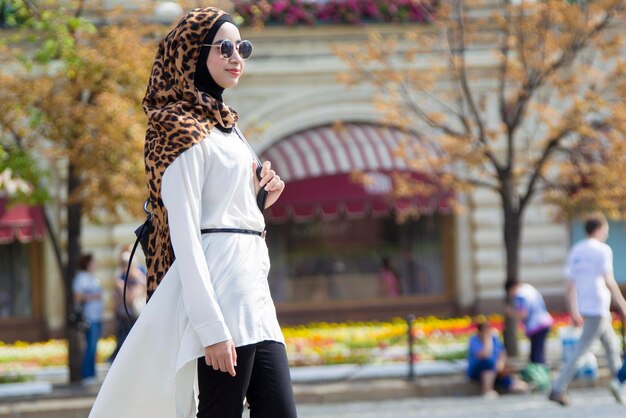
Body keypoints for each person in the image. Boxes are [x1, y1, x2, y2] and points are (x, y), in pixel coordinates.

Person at [89, 8, 297, 418]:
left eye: (243, 47)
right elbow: (186, 233)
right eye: (224, 47)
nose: (237, 56)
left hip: (253, 292)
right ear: (191, 54)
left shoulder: (229, 128)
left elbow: (230, 213)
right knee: (220, 411)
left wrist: (261, 197)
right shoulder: (175, 126)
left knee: (279, 410)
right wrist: (211, 329)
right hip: (220, 292)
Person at [549, 213, 626, 406]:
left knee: (612, 348)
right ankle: (558, 387)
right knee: (582, 350)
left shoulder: (576, 250)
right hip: (599, 306)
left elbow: (570, 285)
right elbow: (608, 279)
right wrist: (622, 304)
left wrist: (574, 311)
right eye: (606, 229)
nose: (607, 233)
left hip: (586, 306)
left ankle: (618, 385)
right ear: (599, 229)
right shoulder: (602, 250)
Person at [466, 318, 528, 398]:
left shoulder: (495, 339)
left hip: (495, 369)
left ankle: (519, 386)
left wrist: (500, 363)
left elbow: (502, 353)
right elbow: (485, 355)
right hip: (479, 369)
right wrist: (487, 339)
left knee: (503, 374)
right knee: (488, 363)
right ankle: (487, 390)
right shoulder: (474, 340)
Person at [108, 247, 146, 363]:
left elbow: (130, 298)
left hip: (134, 317)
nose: (123, 268)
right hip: (123, 317)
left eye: (125, 265)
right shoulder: (123, 277)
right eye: (122, 265)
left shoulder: (138, 278)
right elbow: (115, 299)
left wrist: (120, 287)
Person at [72, 253, 103, 384]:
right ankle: (87, 375)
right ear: (87, 264)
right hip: (88, 317)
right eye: (92, 262)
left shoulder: (92, 278)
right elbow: (78, 297)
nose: (94, 264)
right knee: (90, 346)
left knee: (94, 346)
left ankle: (92, 373)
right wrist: (93, 297)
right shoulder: (81, 279)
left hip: (97, 316)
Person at [505, 281, 554, 364]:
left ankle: (539, 374)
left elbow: (523, 314)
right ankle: (541, 372)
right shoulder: (528, 288)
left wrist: (511, 312)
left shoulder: (520, 295)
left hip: (536, 325)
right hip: (544, 321)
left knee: (536, 355)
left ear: (511, 289)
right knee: (539, 353)